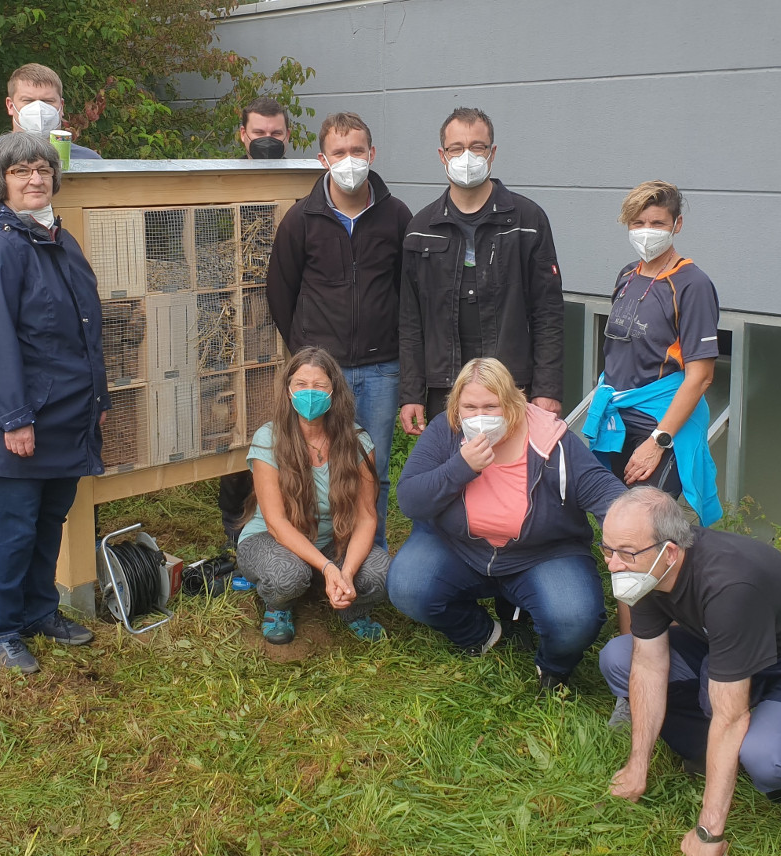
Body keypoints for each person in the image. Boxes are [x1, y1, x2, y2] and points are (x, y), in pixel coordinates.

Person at [599, 487, 781, 856]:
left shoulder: (729, 588)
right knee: (619, 657)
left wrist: (709, 833)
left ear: (669, 552)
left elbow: (730, 715)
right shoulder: (649, 572)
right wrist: (637, 765)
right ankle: (713, 753)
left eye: (625, 553)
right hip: (739, 642)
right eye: (607, 550)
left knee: (765, 755)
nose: (613, 565)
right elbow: (648, 664)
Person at [0, 132, 110, 674]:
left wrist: (98, 397)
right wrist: (14, 419)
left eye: (42, 169)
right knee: (10, 525)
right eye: (22, 173)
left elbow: (87, 327)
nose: (35, 179)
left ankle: (41, 613)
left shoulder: (57, 237)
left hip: (62, 413)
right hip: (9, 417)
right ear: (0, 183)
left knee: (47, 520)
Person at [388, 358, 625, 693]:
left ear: (514, 403)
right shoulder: (446, 430)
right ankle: (482, 633)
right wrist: (461, 467)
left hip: (542, 553)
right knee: (408, 586)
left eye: (491, 405)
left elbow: (601, 489)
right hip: (459, 547)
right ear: (456, 406)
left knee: (575, 618)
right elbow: (410, 499)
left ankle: (553, 667)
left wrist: (632, 522)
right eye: (469, 406)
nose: (479, 415)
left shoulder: (551, 440)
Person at [580, 181, 724, 728]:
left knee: (644, 548)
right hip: (616, 422)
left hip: (656, 430)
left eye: (657, 221)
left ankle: (656, 670)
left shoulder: (692, 284)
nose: (647, 232)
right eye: (638, 222)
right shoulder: (627, 277)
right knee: (618, 543)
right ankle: (630, 665)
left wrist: (657, 439)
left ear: (677, 224)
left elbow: (702, 375)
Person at [266, 112, 411, 550]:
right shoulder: (301, 219)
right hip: (321, 376)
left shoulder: (397, 216)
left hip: (381, 369)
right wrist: (305, 357)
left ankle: (370, 558)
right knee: (313, 464)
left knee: (374, 468)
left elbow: (408, 290)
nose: (349, 160)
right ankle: (314, 553)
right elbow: (281, 290)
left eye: (357, 151)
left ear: (372, 153)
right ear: (322, 158)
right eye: (339, 152)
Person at [399, 107, 565, 434]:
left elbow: (548, 312)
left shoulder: (528, 221)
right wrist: (411, 393)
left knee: (514, 475)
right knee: (452, 475)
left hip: (512, 384)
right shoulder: (420, 229)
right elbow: (410, 320)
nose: (467, 156)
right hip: (443, 388)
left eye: (477, 147)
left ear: (492, 153)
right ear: (442, 156)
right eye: (456, 148)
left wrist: (547, 389)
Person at [0, 63, 102, 359]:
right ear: (11, 106)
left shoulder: (91, 163)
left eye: (48, 102)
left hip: (76, 315)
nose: (39, 109)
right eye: (28, 101)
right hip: (0, 313)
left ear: (61, 107)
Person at [235, 347, 389, 645]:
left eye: (319, 386)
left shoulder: (358, 442)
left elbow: (367, 518)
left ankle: (350, 605)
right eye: (301, 384)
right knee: (287, 575)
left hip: (332, 541)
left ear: (334, 392)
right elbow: (276, 524)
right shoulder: (269, 438)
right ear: (288, 390)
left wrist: (346, 571)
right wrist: (328, 566)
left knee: (381, 573)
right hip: (270, 539)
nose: (310, 393)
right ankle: (278, 606)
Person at [218, 98, 295, 550]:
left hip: (291, 323)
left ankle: (287, 518)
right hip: (236, 319)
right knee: (239, 420)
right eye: (260, 132)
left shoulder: (302, 181)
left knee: (284, 420)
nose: (269, 140)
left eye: (277, 134)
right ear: (243, 135)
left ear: (288, 137)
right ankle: (236, 521)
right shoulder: (224, 183)